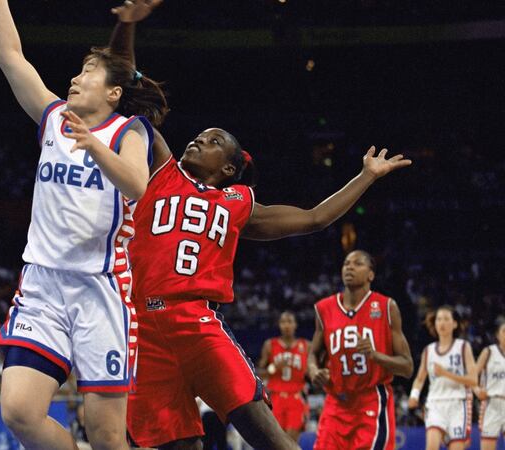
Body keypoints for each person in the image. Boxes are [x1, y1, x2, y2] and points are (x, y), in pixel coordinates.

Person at [106, 3, 412, 449]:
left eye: (213, 141)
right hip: (143, 330)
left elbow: (314, 218)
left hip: (197, 323)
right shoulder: (159, 167)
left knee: (268, 438)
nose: (198, 139)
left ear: (229, 168)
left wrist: (365, 176)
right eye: (200, 135)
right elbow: (125, 89)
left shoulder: (239, 202)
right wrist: (127, 23)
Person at [0, 1, 168, 449]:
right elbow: (12, 57)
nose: (74, 78)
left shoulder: (130, 131)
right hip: (43, 285)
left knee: (107, 437)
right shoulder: (52, 118)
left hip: (101, 289)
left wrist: (93, 146)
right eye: (78, 71)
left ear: (112, 93)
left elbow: (138, 186)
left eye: (88, 72)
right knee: (19, 412)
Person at [308, 251, 414, 450]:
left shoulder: (386, 307)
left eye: (357, 263)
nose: (349, 267)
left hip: (371, 400)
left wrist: (375, 356)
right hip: (336, 403)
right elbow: (313, 353)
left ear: (370, 275)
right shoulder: (324, 309)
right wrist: (314, 371)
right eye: (346, 263)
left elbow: (407, 367)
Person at [407, 305, 477, 450]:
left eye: (446, 319)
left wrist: (446, 373)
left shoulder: (463, 347)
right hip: (435, 404)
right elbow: (420, 379)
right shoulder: (428, 351)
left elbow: (473, 379)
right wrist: (414, 395)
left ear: (455, 324)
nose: (442, 323)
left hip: (458, 404)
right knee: (431, 446)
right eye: (439, 319)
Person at [258, 311, 310, 443]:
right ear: (279, 325)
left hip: (296, 397)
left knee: (292, 441)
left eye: (289, 322)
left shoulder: (306, 346)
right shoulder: (270, 345)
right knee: (276, 440)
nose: (286, 325)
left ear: (295, 325)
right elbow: (258, 372)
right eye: (283, 322)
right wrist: (274, 367)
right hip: (276, 397)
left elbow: (312, 371)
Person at [477, 322, 505, 450]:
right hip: (491, 403)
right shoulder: (488, 352)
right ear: (498, 335)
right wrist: (477, 390)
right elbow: (472, 377)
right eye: (504, 331)